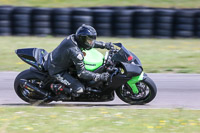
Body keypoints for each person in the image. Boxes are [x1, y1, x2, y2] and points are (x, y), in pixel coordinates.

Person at [46, 24, 114, 96]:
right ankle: (55, 87)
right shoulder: (75, 52)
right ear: (82, 38)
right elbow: (81, 73)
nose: (91, 42)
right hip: (57, 70)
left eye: (92, 40)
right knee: (79, 89)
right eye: (89, 40)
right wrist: (99, 76)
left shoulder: (74, 37)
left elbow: (90, 44)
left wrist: (104, 45)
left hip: (59, 60)